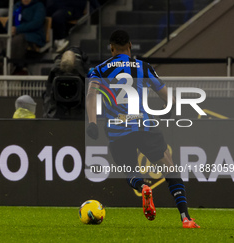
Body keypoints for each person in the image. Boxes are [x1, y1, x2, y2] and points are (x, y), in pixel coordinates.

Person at [86, 30, 200, 228]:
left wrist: (93, 123)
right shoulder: (143, 67)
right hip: (145, 126)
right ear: (130, 46)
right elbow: (168, 98)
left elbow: (91, 96)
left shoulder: (99, 70)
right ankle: (186, 218)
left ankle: (143, 186)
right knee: (170, 167)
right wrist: (169, 110)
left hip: (117, 129)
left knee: (129, 169)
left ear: (111, 48)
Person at [0, 0, 46, 75]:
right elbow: (9, 21)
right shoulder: (17, 6)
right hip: (15, 34)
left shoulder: (38, 6)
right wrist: (9, 28)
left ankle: (12, 67)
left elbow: (36, 23)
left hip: (32, 35)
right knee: (1, 40)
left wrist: (17, 29)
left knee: (17, 40)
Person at [43, 46, 90, 119]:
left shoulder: (81, 68)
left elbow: (48, 94)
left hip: (76, 105)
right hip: (64, 106)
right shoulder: (55, 70)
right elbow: (49, 91)